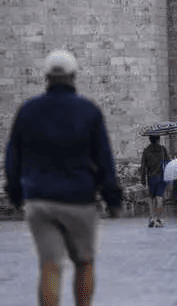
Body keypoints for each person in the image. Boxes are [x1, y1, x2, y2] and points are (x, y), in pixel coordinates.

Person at [4, 49, 122, 306]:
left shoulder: (28, 111)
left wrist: (15, 192)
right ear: (74, 75)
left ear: (46, 77)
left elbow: (13, 155)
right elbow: (104, 157)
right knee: (84, 261)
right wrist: (112, 197)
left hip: (40, 200)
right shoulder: (88, 111)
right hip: (79, 199)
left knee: (50, 266)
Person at [140, 134, 170, 228]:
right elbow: (167, 163)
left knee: (151, 199)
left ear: (149, 139)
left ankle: (152, 218)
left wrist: (143, 179)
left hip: (150, 178)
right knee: (159, 198)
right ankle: (159, 219)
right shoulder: (162, 149)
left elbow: (143, 166)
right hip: (161, 177)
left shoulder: (146, 150)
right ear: (158, 139)